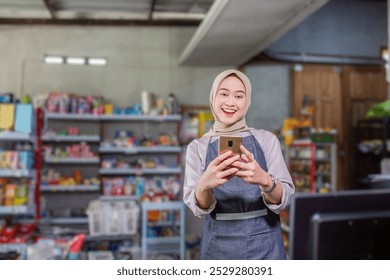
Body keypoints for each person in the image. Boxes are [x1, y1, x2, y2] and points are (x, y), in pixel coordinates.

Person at [183, 69, 295, 260]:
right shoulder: (198, 147)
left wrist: (265, 180)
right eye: (224, 93)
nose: (230, 102)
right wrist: (204, 185)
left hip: (266, 246)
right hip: (218, 247)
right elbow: (200, 208)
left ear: (247, 101)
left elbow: (284, 200)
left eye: (239, 96)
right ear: (213, 97)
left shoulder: (266, 140)